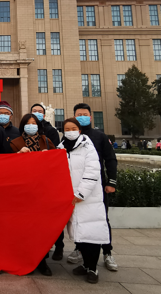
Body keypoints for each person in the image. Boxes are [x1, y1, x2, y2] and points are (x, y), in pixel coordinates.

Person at [68, 103, 117, 272]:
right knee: (78, 219)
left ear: (90, 117)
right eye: (78, 114)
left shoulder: (99, 136)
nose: (82, 117)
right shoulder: (69, 138)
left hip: (97, 188)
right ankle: (79, 249)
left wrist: (111, 182)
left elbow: (110, 159)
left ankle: (107, 252)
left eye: (85, 114)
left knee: (101, 219)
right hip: (76, 188)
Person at [61, 118, 110, 284]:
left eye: (73, 128)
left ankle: (92, 268)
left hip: (87, 199)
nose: (70, 131)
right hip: (71, 199)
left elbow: (92, 171)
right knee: (79, 234)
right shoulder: (61, 148)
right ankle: (85, 265)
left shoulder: (88, 147)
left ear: (79, 130)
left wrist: (81, 193)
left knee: (91, 235)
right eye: (67, 129)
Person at [11, 113, 55, 276]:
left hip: (42, 190)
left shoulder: (46, 141)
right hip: (22, 191)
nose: (31, 126)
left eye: (34, 123)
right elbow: (7, 166)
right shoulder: (15, 143)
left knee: (41, 227)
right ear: (22, 126)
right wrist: (17, 156)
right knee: (23, 227)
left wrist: (50, 156)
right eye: (28, 123)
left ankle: (42, 261)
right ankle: (25, 260)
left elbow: (57, 162)